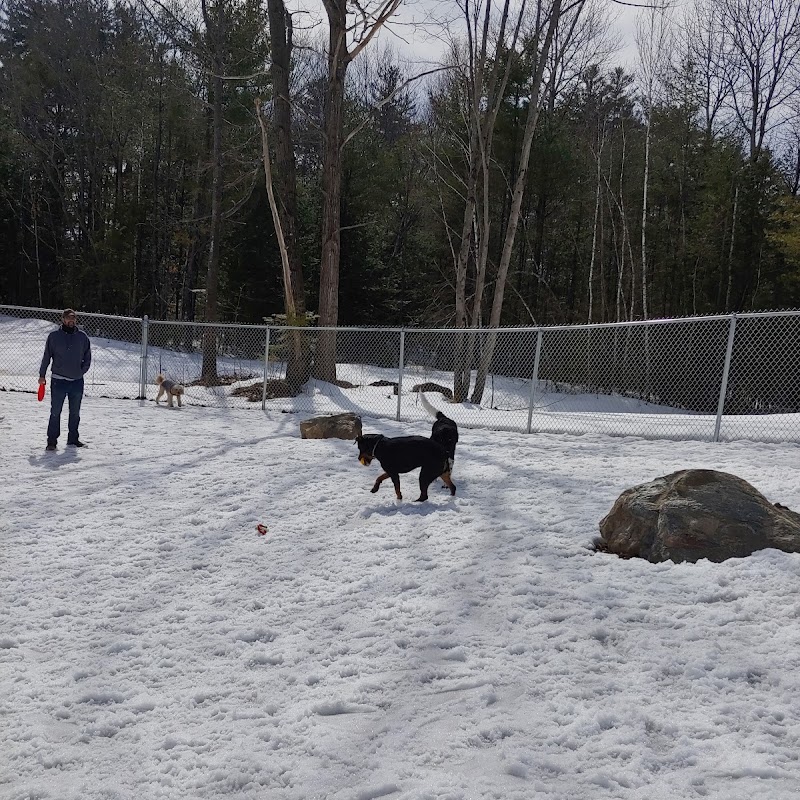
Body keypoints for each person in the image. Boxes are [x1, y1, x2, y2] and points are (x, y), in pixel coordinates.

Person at [39, 308, 92, 451]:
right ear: (62, 319)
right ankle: (51, 441)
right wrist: (42, 375)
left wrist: (81, 371)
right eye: (68, 318)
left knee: (75, 412)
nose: (71, 320)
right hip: (58, 381)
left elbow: (87, 357)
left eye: (73, 318)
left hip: (77, 382)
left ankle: (73, 439)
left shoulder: (82, 337)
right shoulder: (54, 337)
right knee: (55, 412)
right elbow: (46, 356)